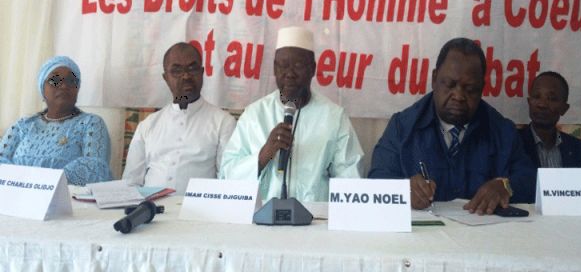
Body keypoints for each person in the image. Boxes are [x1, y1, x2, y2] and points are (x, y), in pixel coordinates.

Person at [369, 38, 536, 214]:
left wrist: (505, 186)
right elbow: (376, 181)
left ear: (482, 88)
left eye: (470, 89)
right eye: (450, 84)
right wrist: (403, 190)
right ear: (434, 79)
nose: (458, 96)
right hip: (423, 237)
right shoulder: (402, 127)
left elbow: (530, 180)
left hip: (485, 236)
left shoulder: (502, 131)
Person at [219, 26, 364, 202]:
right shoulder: (254, 115)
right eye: (283, 66)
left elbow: (350, 179)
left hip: (316, 220)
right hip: (261, 219)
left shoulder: (333, 117)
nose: (290, 74)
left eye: (298, 66)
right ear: (274, 69)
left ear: (313, 69)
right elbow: (226, 174)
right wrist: (264, 155)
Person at [122, 42, 236, 194]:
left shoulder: (223, 122)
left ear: (202, 72)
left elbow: (228, 179)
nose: (186, 76)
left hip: (199, 213)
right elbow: (130, 182)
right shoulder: (148, 125)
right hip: (151, 212)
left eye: (192, 68)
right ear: (166, 78)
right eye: (176, 71)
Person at [0, 56, 111, 185]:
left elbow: (95, 168)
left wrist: (40, 182)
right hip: (16, 197)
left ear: (78, 88)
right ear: (42, 88)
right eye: (55, 80)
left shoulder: (91, 123)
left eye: (71, 81)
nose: (64, 86)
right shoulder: (23, 125)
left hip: (66, 201)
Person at [519, 71, 581, 168]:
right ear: (529, 102)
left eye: (551, 98)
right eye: (536, 97)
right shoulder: (513, 144)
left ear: (564, 109)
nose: (542, 104)